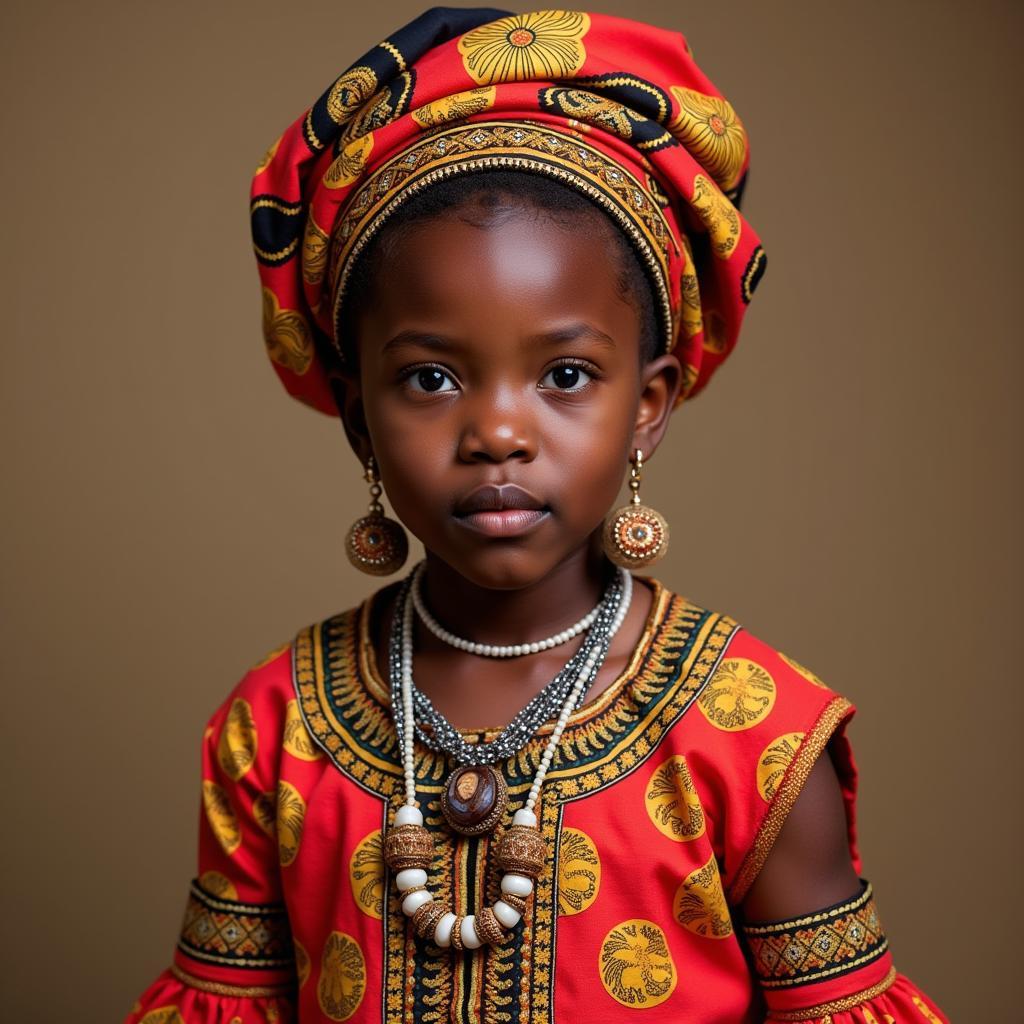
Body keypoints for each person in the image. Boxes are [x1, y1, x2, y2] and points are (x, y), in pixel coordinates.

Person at [126, 8, 948, 1023]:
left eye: (564, 375)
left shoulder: (755, 736)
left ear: (647, 406)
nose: (497, 433)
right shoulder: (273, 727)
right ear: (355, 415)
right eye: (430, 377)